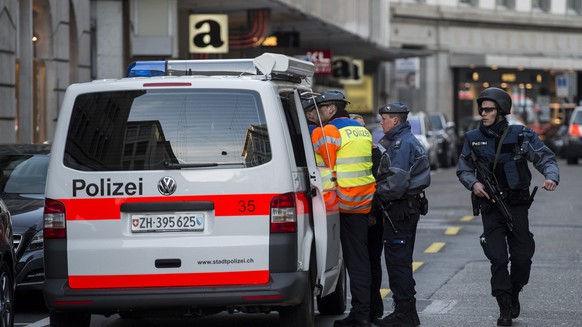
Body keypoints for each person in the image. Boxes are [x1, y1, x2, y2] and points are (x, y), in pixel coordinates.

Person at [456, 87, 559, 326]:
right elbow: (463, 168)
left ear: (501, 111)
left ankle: (514, 292)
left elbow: (545, 157)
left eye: (489, 110)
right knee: (498, 258)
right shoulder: (473, 138)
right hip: (490, 207)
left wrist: (551, 177)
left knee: (523, 258)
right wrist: (474, 184)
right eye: (482, 110)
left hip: (516, 205)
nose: (484, 114)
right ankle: (504, 305)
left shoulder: (522, 134)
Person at [309, 91, 376, 327]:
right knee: (359, 259)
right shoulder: (361, 130)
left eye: (317, 109)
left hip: (337, 203)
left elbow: (322, 165)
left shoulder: (327, 131)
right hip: (361, 201)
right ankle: (365, 312)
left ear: (330, 109)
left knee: (347, 259)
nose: (312, 114)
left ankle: (360, 316)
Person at [374, 102, 431, 327]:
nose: (381, 122)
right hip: (405, 207)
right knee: (401, 260)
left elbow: (396, 184)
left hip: (400, 208)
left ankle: (404, 313)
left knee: (398, 262)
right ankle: (407, 312)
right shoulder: (404, 141)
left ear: (395, 120)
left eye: (385, 118)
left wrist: (375, 192)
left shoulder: (401, 144)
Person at [350, 113, 385, 325]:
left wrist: (373, 213)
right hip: (353, 214)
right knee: (360, 265)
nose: (361, 132)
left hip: (372, 217)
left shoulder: (375, 152)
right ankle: (367, 308)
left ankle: (373, 308)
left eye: (363, 128)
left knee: (372, 262)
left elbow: (380, 185)